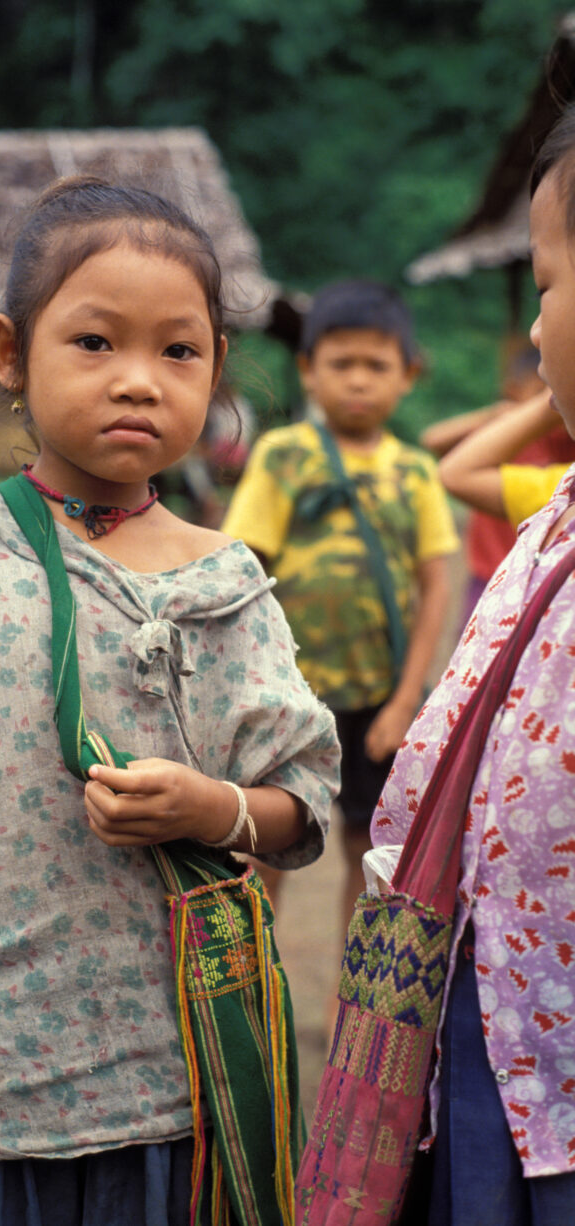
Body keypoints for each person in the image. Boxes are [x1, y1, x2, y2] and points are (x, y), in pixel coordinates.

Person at [0, 177, 340, 1225]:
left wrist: (208, 808)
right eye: (94, 343)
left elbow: (299, 804)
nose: (138, 381)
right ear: (10, 353)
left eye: (177, 352)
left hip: (177, 1080)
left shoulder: (224, 579)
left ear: (216, 370)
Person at [371, 105, 575, 1223]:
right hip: (501, 1029)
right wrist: (542, 391)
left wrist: (538, 398)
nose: (533, 331)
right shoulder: (555, 505)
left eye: (542, 289)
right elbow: (448, 464)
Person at [221, 280, 458, 952]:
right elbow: (245, 567)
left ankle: (347, 1010)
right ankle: (252, 987)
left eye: (376, 365)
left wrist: (406, 700)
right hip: (292, 699)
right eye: (341, 363)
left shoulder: (415, 472)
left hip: (379, 697)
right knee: (269, 840)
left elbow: (437, 585)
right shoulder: (283, 455)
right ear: (308, 370)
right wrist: (257, 686)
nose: (358, 380)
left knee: (368, 847)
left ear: (407, 374)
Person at [421, 350, 575, 624]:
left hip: (536, 576)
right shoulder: (501, 434)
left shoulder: (566, 445)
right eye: (541, 390)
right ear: (513, 391)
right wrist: (499, 414)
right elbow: (433, 440)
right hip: (489, 572)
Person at [437, 385, 572, 530]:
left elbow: (455, 474)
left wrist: (550, 403)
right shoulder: (501, 427)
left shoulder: (559, 447)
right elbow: (434, 440)